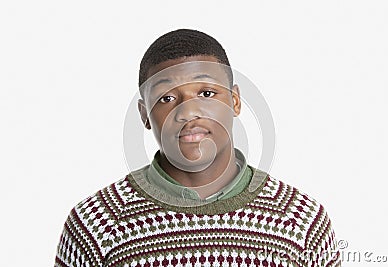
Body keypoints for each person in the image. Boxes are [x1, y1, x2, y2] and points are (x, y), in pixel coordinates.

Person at [55, 29, 341, 267]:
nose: (188, 112)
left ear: (235, 100)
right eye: (166, 98)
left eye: (206, 93)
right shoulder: (95, 225)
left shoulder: (301, 221)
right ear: (144, 115)